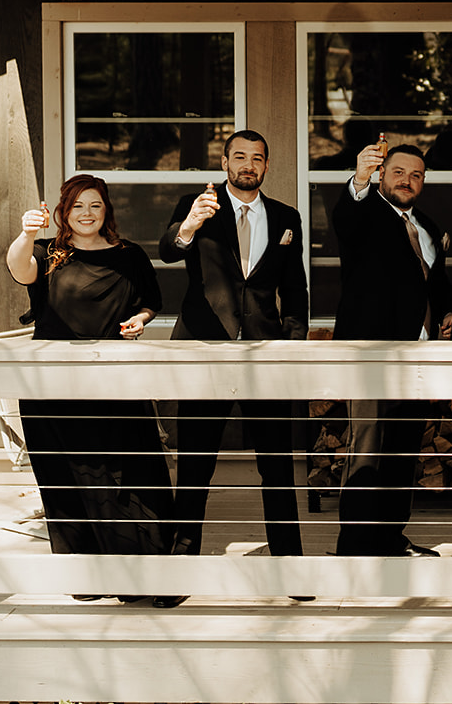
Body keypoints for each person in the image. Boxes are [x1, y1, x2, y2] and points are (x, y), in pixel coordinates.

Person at [159, 129, 310, 605]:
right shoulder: (197, 204)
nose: (248, 164)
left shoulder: (287, 217)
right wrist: (188, 226)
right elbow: (168, 250)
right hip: (206, 351)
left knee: (277, 465)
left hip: (265, 356)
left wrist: (292, 343)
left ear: (266, 166)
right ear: (224, 161)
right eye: (239, 156)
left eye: (257, 158)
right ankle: (180, 569)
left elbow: (296, 290)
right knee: (196, 464)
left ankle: (290, 569)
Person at [5, 173, 172, 603]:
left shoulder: (130, 255)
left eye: (95, 205)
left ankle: (138, 574)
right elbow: (18, 267)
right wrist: (26, 234)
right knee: (67, 479)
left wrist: (142, 320)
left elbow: (150, 301)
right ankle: (85, 574)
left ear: (106, 211)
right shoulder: (48, 253)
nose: (86, 213)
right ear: (64, 211)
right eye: (78, 205)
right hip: (53, 388)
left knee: (126, 476)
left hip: (113, 382)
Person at [333, 142, 452, 557]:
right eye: (399, 172)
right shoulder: (364, 214)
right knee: (366, 450)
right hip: (371, 354)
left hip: (417, 356)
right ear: (383, 174)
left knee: (403, 451)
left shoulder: (430, 227)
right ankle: (354, 547)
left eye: (417, 175)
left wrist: (448, 312)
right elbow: (345, 217)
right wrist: (359, 179)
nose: (408, 181)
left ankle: (389, 538)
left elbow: (433, 284)